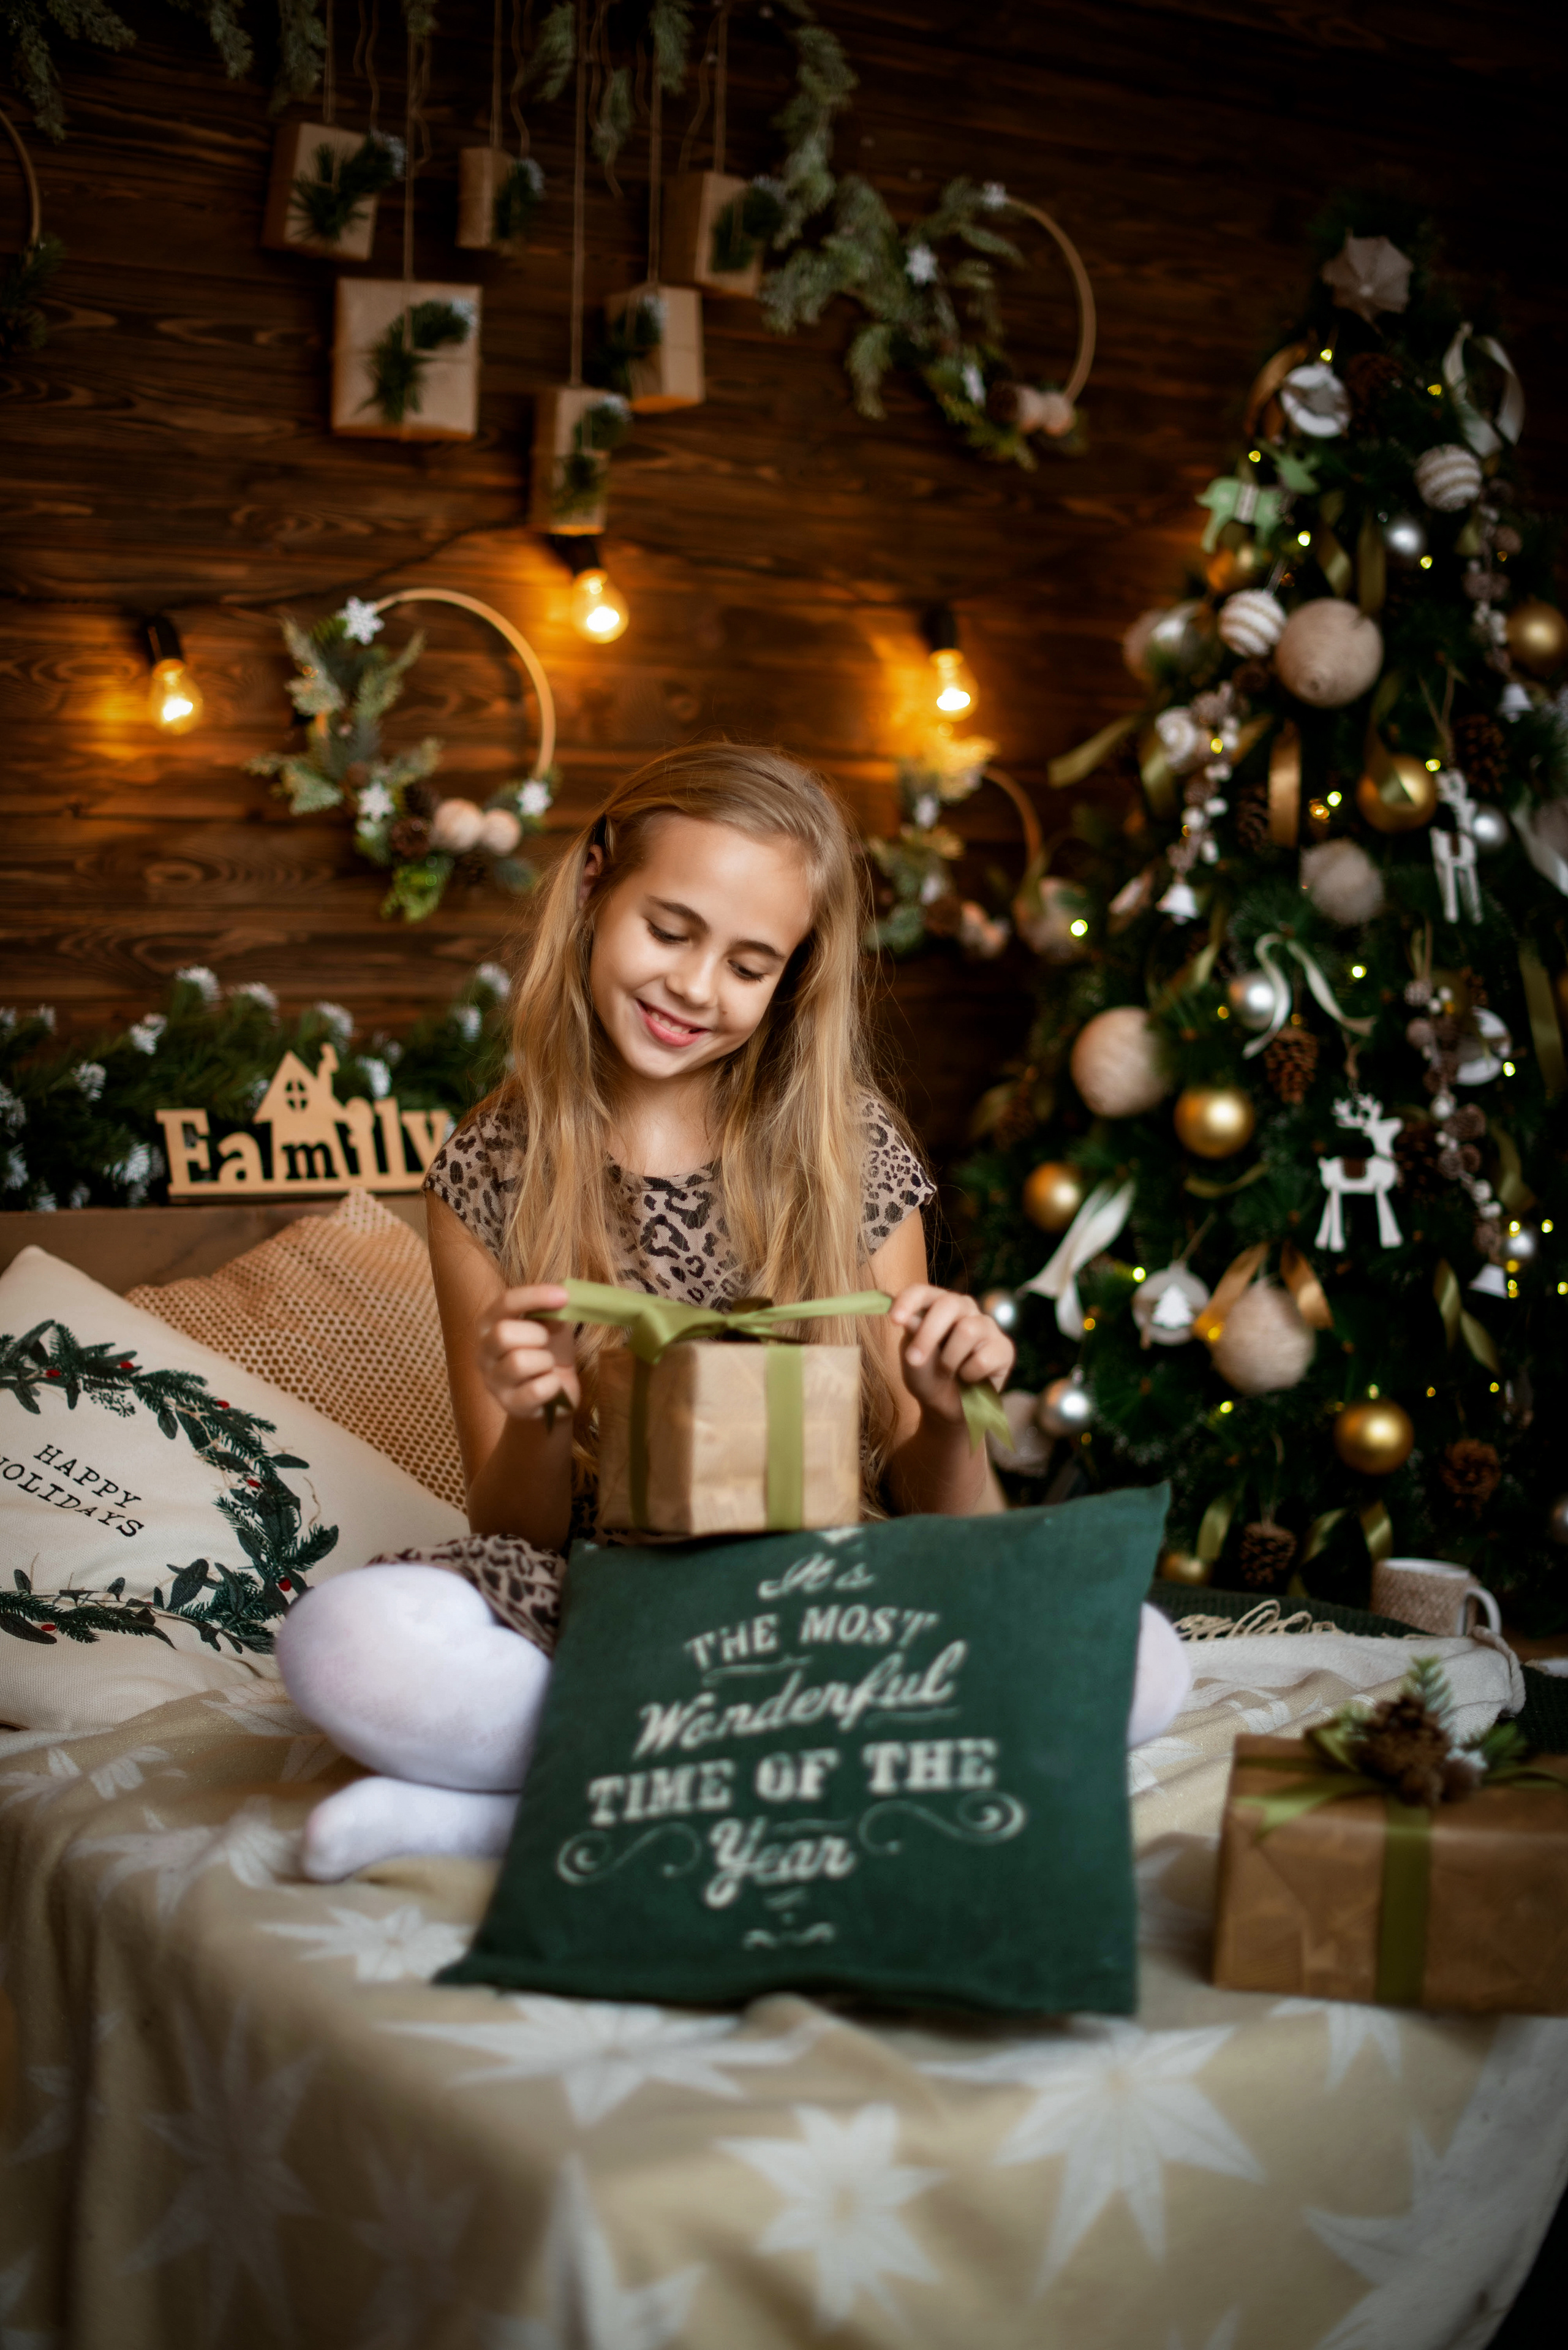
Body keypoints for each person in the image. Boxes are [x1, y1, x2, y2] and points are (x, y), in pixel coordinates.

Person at [279, 745, 1189, 1878]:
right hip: (606, 1608)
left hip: (832, 1603)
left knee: (1141, 1658)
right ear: (598, 880)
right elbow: (512, 1535)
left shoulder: (846, 1153)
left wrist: (950, 1415)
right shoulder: (491, 1165)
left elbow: (939, 1513)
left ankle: (520, 1814)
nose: (698, 989)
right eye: (671, 930)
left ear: (793, 978)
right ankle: (831, 1775)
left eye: (751, 964)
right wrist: (540, 1410)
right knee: (344, 1644)